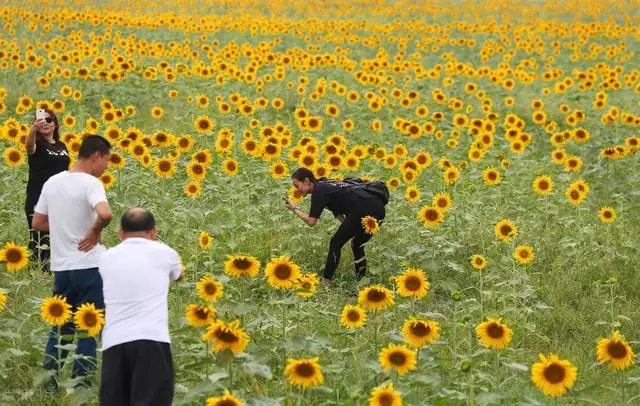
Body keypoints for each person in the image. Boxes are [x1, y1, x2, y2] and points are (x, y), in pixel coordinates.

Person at [32, 135, 113, 388]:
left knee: (60, 326)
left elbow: (37, 223)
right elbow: (105, 214)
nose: (106, 167)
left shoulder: (52, 182)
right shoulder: (91, 184)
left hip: (62, 269)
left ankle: (49, 383)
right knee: (89, 327)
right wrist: (94, 231)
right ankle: (82, 385)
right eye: (107, 160)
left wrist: (62, 229)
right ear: (96, 155)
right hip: (89, 265)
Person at [99, 208, 183, 406]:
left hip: (114, 342)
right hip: (152, 340)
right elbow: (178, 275)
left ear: (120, 233)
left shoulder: (106, 258)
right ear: (153, 232)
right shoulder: (166, 253)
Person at [284, 167, 388, 284]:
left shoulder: (319, 190)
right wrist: (351, 229)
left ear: (307, 181)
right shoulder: (326, 185)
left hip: (364, 208)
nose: (296, 190)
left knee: (335, 242)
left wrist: (294, 208)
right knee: (357, 244)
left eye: (297, 185)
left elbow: (311, 222)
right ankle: (361, 283)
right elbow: (342, 218)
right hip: (378, 209)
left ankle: (325, 282)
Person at [25, 109, 70, 273]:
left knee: (56, 236)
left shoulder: (61, 145)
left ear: (55, 124)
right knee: (39, 238)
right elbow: (29, 146)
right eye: (40, 121)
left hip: (60, 198)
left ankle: (51, 271)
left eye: (49, 120)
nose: (45, 123)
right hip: (38, 197)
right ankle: (36, 273)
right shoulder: (37, 145)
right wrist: (33, 130)